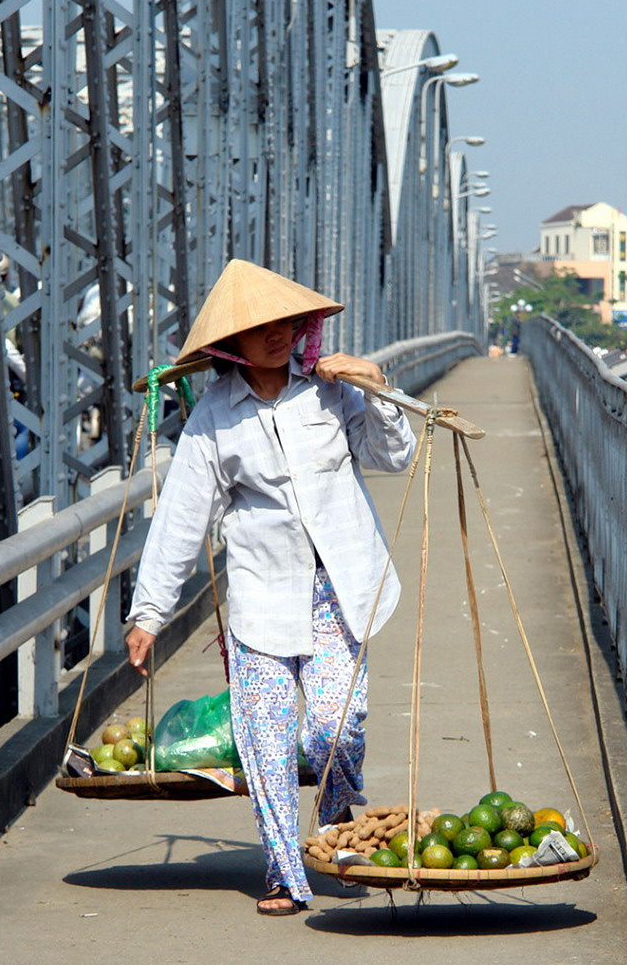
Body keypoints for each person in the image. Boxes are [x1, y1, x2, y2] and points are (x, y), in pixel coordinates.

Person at [125, 259, 416, 915]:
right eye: (260, 328)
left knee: (338, 730)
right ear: (230, 344)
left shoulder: (330, 393)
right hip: (260, 593)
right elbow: (180, 520)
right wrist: (148, 613)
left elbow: (393, 457)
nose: (278, 335)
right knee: (265, 732)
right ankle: (286, 871)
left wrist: (377, 389)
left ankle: (335, 825)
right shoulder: (212, 421)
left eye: (286, 322)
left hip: (339, 588)